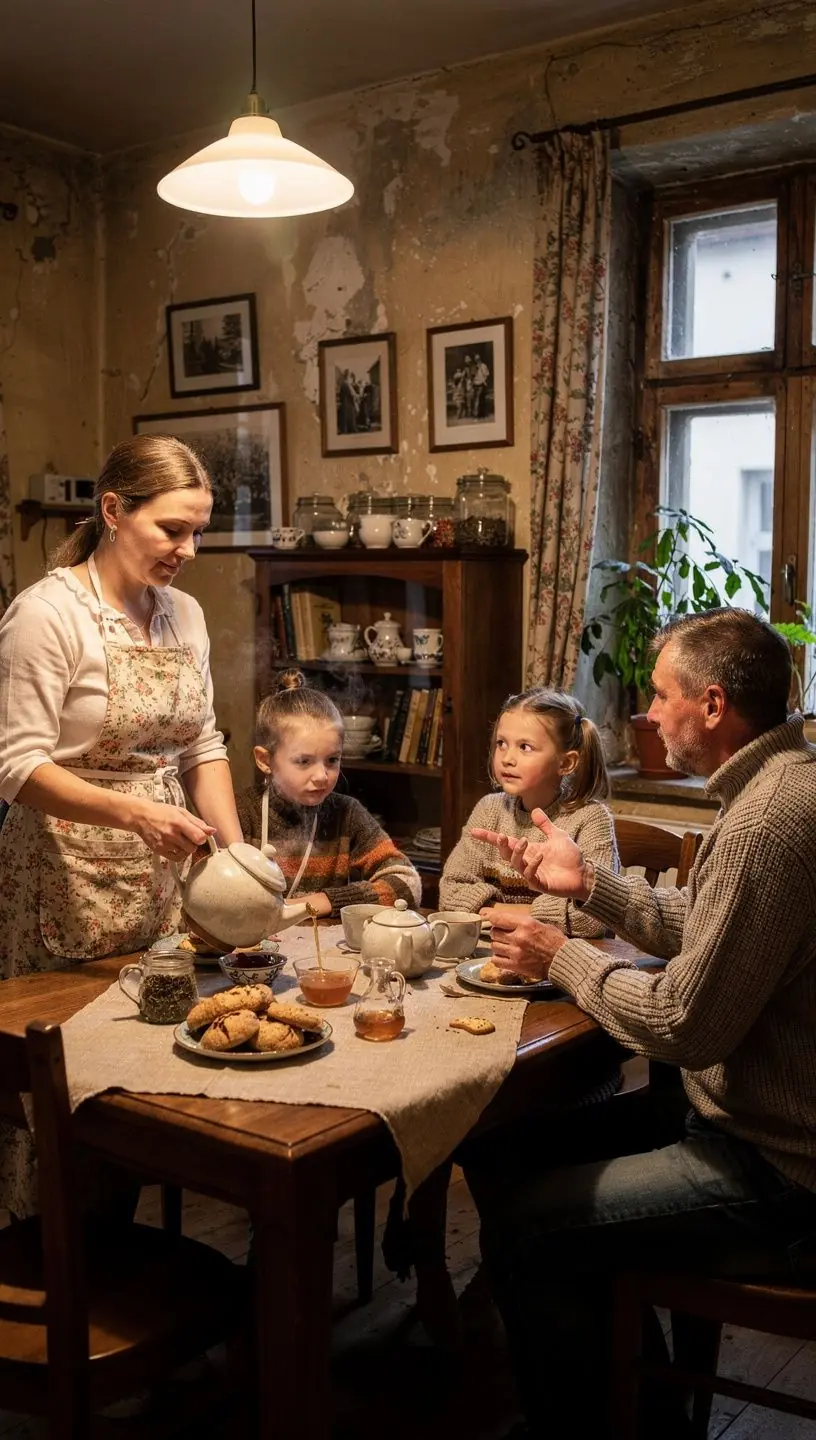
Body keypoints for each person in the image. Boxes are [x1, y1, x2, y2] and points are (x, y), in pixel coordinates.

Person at [469, 609, 816, 1437]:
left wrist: (560, 954)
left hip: (783, 1173)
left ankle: (610, 1420)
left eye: (660, 698)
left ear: (713, 704)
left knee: (524, 1229)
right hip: (735, 1120)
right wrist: (590, 884)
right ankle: (628, 1395)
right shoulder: (779, 785)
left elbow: (685, 1025)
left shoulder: (769, 820)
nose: (647, 716)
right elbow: (703, 920)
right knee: (496, 1147)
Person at [0, 434, 243, 1216]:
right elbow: (15, 766)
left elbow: (204, 743)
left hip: (158, 887)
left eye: (198, 530)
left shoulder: (185, 616)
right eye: (173, 529)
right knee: (59, 1100)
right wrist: (134, 811)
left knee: (145, 1085)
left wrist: (239, 859)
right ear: (113, 511)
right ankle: (51, 1272)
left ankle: (134, 1271)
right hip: (61, 885)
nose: (189, 549)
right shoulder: (47, 614)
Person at [234, 671, 421, 915]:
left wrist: (327, 900)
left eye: (332, 759)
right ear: (265, 760)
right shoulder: (242, 812)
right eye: (304, 761)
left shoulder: (347, 814)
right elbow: (205, 894)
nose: (322, 775)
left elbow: (408, 885)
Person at [439, 688, 618, 940]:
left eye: (525, 747)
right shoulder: (489, 810)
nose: (507, 758)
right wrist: (533, 914)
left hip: (560, 966)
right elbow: (450, 894)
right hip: (493, 955)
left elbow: (593, 919)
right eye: (502, 744)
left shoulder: (590, 819)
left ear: (566, 763)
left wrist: (498, 913)